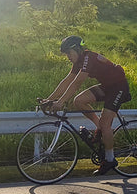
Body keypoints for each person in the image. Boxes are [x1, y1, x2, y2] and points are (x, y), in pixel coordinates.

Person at [43, 36, 131, 175]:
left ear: (77, 49)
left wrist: (60, 102)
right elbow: (66, 81)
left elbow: (76, 83)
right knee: (79, 101)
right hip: (107, 86)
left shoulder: (88, 58)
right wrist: (48, 99)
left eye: (69, 53)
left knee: (106, 123)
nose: (68, 57)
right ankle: (100, 128)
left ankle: (109, 159)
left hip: (119, 88)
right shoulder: (78, 62)